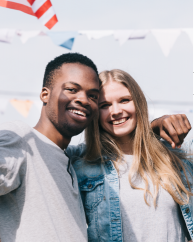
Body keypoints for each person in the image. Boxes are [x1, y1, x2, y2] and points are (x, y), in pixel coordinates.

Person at [0, 34, 189, 242]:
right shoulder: (30, 142)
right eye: (72, 89)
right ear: (45, 94)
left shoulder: (71, 160)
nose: (83, 100)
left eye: (92, 96)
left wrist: (150, 130)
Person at [72, 70, 192, 242]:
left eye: (124, 100)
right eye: (104, 105)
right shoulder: (82, 164)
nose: (115, 111)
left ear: (138, 102)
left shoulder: (177, 157)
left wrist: (151, 131)